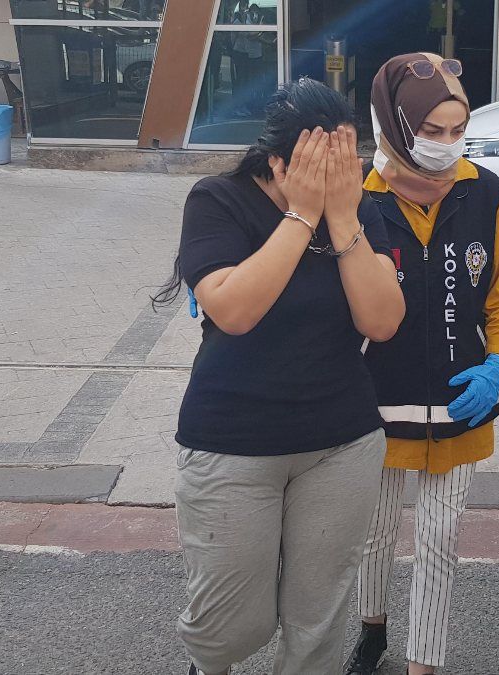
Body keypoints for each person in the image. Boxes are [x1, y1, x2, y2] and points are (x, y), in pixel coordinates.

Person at [153, 78, 405, 675]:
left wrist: (341, 220)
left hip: (341, 440)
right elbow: (233, 310)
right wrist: (302, 215)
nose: (339, 175)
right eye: (322, 164)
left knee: (317, 618)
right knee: (231, 626)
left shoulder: (359, 212)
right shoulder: (218, 200)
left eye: (347, 162)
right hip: (232, 439)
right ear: (276, 163)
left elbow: (382, 321)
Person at [345, 53, 499, 675]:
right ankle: (371, 629)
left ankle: (424, 662)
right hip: (375, 400)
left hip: (459, 399)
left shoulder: (485, 193)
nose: (447, 145)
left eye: (458, 129)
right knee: (374, 532)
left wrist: (498, 363)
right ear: (397, 127)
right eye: (431, 131)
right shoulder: (357, 199)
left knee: (439, 539)